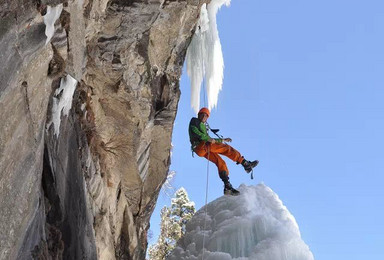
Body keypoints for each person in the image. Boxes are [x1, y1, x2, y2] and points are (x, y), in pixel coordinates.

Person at [189, 107, 259, 195]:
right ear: (199, 115)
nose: (204, 117)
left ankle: (227, 186)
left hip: (202, 149)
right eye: (202, 114)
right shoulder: (194, 121)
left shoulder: (202, 125)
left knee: (221, 162)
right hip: (201, 146)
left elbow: (210, 140)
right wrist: (209, 139)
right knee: (227, 149)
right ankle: (245, 163)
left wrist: (222, 140)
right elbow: (197, 133)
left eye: (206, 116)